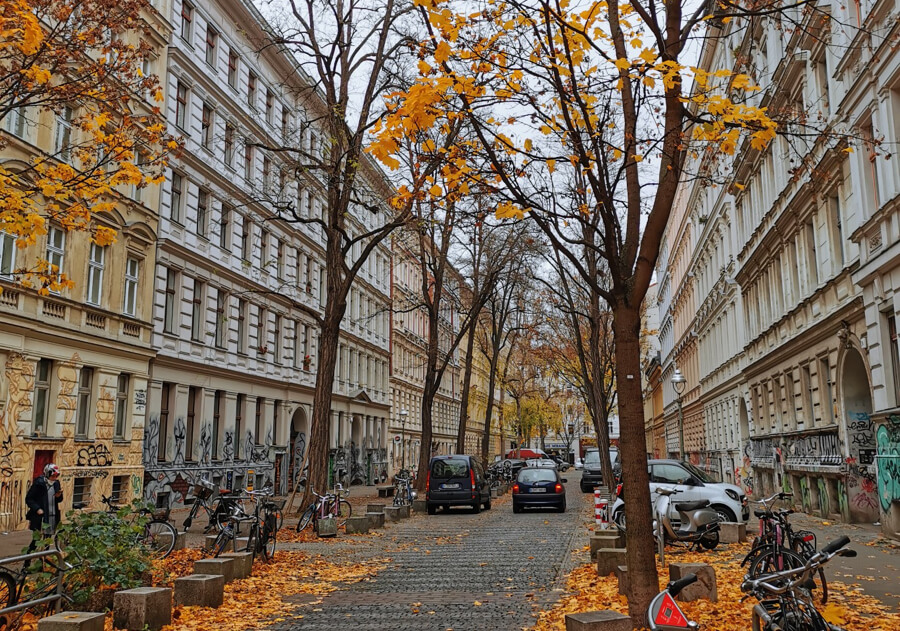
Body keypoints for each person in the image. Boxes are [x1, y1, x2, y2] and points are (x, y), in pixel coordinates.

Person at [25, 463, 62, 551]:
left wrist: (58, 496)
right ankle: (27, 560)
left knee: (47, 540)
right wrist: (37, 509)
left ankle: (43, 561)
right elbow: (29, 499)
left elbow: (59, 500)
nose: (55, 478)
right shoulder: (39, 483)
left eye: (56, 476)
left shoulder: (56, 483)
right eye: (53, 476)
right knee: (36, 539)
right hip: (40, 517)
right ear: (47, 474)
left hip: (52, 515)